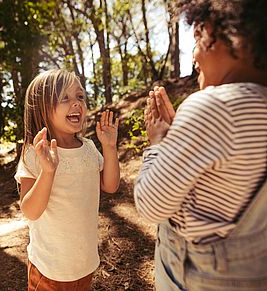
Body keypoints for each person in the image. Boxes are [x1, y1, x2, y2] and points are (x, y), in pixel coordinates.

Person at [134, 0, 267, 290]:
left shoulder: (215, 107)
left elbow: (150, 205)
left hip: (195, 276)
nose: (194, 57)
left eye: (198, 38)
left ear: (234, 35)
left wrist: (158, 142)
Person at [14, 69, 120, 291]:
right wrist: (48, 171)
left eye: (80, 97)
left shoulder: (89, 148)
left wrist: (109, 148)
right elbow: (31, 211)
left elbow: (110, 186)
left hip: (85, 263)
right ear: (43, 107)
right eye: (65, 98)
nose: (76, 103)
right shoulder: (35, 153)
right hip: (49, 269)